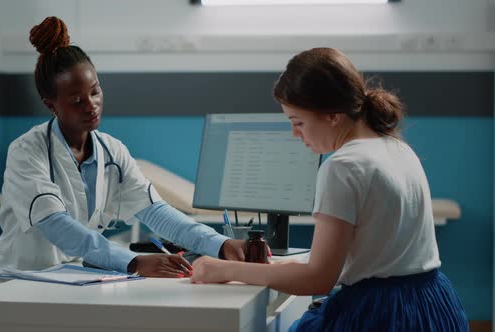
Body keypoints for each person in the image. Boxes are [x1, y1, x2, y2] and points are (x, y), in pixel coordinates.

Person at [189, 48, 468, 331]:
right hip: (431, 303)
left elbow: (318, 279)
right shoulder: (397, 148)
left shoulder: (344, 166)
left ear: (333, 115)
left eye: (298, 122)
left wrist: (225, 269)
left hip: (381, 314)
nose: (295, 134)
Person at [0, 16, 245, 291]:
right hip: (15, 285)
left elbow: (154, 211)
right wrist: (133, 262)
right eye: (77, 100)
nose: (91, 105)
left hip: (69, 283)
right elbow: (57, 226)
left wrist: (220, 244)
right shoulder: (27, 151)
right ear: (51, 105)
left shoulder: (112, 151)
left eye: (95, 92)